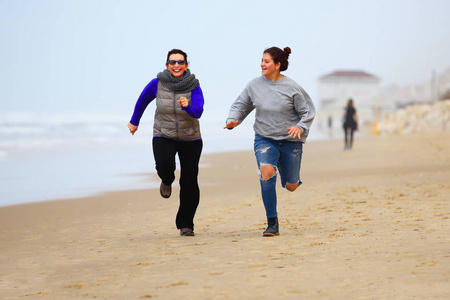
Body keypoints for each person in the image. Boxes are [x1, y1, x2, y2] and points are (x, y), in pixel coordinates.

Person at [224, 46, 316, 237]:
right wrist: (233, 120)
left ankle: (289, 176)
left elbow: (307, 111)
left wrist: (300, 126)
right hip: (264, 138)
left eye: (266, 61)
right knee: (266, 172)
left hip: (291, 141)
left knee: (290, 185)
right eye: (262, 60)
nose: (262, 64)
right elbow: (241, 105)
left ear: (277, 65)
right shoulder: (254, 86)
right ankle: (272, 222)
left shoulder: (292, 88)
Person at [128, 49, 204, 236]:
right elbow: (143, 100)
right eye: (172, 62)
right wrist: (134, 121)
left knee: (189, 182)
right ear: (166, 65)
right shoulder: (157, 83)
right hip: (163, 134)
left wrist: (188, 107)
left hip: (190, 138)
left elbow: (199, 111)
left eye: (180, 62)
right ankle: (167, 180)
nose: (176, 65)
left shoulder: (194, 86)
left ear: (186, 65)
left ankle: (186, 224)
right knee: (164, 165)